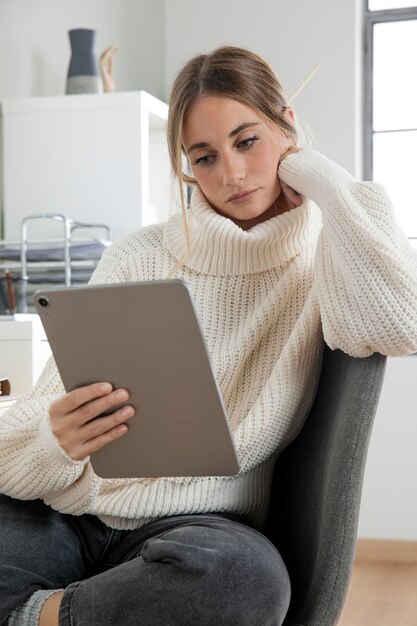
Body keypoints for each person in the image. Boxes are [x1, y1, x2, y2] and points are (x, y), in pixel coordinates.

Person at [1, 45, 417, 626]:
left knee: (246, 581)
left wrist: (321, 178)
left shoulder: (326, 260)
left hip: (197, 530)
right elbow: (38, 420)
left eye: (248, 141)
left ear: (287, 124)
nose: (233, 174)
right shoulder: (137, 254)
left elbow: (402, 321)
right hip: (71, 514)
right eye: (204, 157)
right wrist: (55, 438)